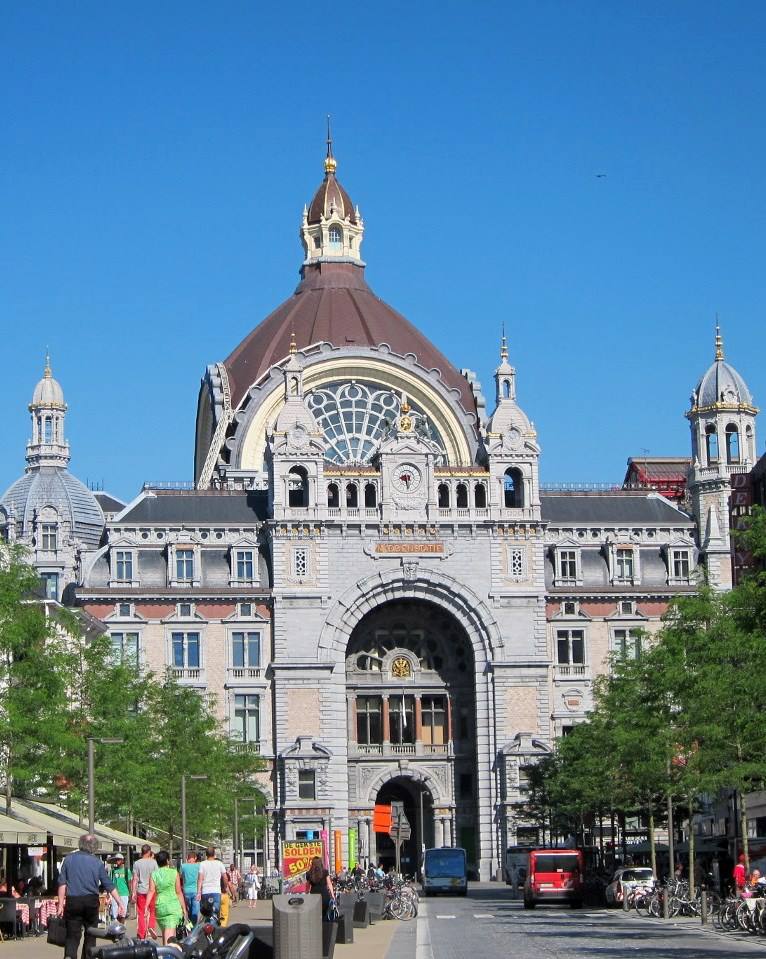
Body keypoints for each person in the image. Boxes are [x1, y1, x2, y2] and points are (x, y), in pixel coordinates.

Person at [56, 833, 125, 959]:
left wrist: (60, 905)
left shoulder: (68, 859)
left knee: (72, 935)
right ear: (94, 847)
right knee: (91, 934)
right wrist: (120, 902)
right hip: (91, 901)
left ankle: (69, 956)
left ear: (80, 844)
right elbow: (108, 884)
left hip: (73, 901)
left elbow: (62, 884)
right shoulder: (97, 862)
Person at [145, 850, 187, 946]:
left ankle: (165, 952)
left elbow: (151, 891)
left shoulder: (154, 874)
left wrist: (146, 906)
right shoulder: (174, 873)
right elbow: (178, 892)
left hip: (160, 907)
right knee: (170, 939)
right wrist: (184, 908)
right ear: (168, 860)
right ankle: (168, 953)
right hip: (172, 907)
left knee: (165, 933)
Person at [130, 844, 158, 939]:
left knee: (141, 913)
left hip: (141, 891)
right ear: (149, 852)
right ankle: (151, 927)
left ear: (142, 852)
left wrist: (133, 892)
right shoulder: (154, 863)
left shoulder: (137, 863)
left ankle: (142, 933)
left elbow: (135, 879)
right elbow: (157, 877)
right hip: (152, 890)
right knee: (152, 910)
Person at [196, 847, 227, 919]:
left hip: (205, 892)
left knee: (206, 914)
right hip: (216, 891)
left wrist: (198, 892)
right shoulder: (219, 863)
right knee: (214, 914)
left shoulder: (202, 864)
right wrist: (225, 887)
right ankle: (213, 925)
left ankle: (207, 924)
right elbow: (225, 878)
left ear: (206, 854)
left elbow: (200, 879)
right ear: (214, 854)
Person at [109, 855, 132, 921]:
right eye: (116, 859)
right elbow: (110, 883)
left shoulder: (127, 871)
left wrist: (130, 893)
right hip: (115, 895)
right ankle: (116, 926)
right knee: (115, 915)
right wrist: (109, 894)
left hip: (124, 894)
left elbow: (129, 883)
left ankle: (121, 926)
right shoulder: (112, 871)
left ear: (122, 860)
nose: (117, 861)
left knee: (123, 914)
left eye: (119, 859)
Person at [180, 853, 200, 924]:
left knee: (188, 910)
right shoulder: (198, 866)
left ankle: (189, 925)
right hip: (196, 890)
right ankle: (193, 927)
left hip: (186, 891)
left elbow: (181, 877)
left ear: (187, 858)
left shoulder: (183, 866)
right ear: (195, 858)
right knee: (195, 911)